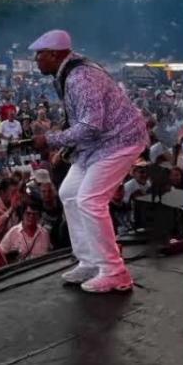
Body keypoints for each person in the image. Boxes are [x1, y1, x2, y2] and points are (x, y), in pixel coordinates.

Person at [29, 29, 147, 293]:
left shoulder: (80, 77)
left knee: (90, 200)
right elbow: (82, 121)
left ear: (54, 54)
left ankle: (115, 272)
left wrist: (52, 140)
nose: (36, 60)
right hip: (97, 146)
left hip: (120, 142)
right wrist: (65, 143)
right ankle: (90, 262)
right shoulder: (69, 72)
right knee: (69, 193)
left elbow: (91, 125)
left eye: (39, 55)